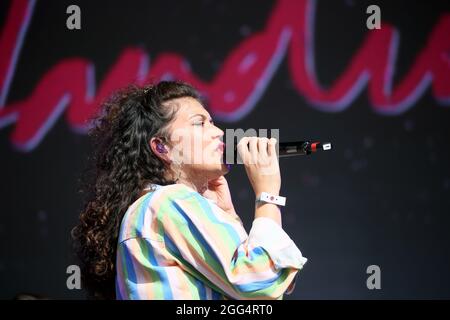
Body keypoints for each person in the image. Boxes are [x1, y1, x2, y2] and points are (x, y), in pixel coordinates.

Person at [71, 80, 307, 300]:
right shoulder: (167, 202)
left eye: (212, 122)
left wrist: (229, 217)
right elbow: (260, 281)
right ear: (161, 147)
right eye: (199, 123)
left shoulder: (158, 205)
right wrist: (267, 195)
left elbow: (274, 284)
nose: (218, 133)